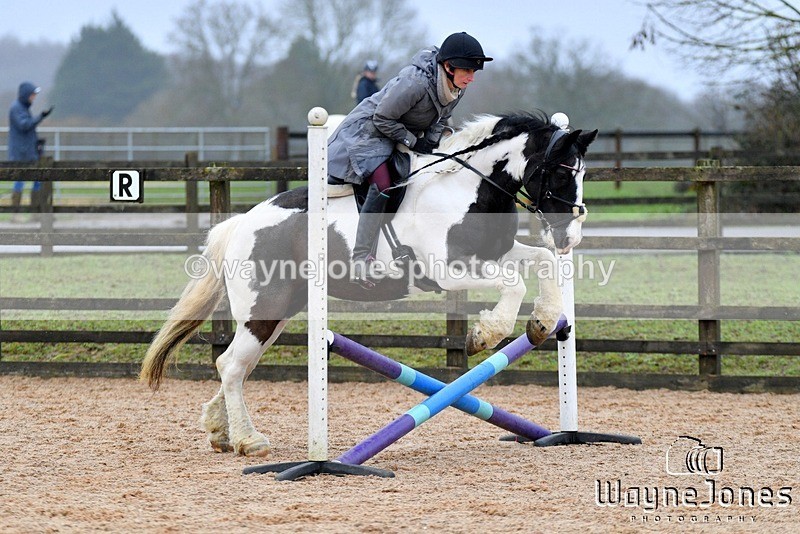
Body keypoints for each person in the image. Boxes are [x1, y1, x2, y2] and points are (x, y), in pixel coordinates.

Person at [328, 32, 492, 289]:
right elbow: (382, 118)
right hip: (366, 134)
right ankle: (360, 258)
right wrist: (414, 142)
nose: (471, 78)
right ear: (448, 67)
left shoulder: (454, 87)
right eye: (467, 71)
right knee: (383, 183)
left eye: (474, 72)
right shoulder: (415, 83)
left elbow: (439, 121)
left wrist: (434, 142)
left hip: (396, 134)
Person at [8, 81, 52, 222]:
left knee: (37, 179)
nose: (34, 97)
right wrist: (40, 117)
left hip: (29, 152)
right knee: (19, 181)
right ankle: (15, 214)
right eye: (32, 94)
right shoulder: (16, 108)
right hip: (20, 154)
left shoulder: (23, 108)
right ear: (26, 95)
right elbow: (24, 125)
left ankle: (35, 213)